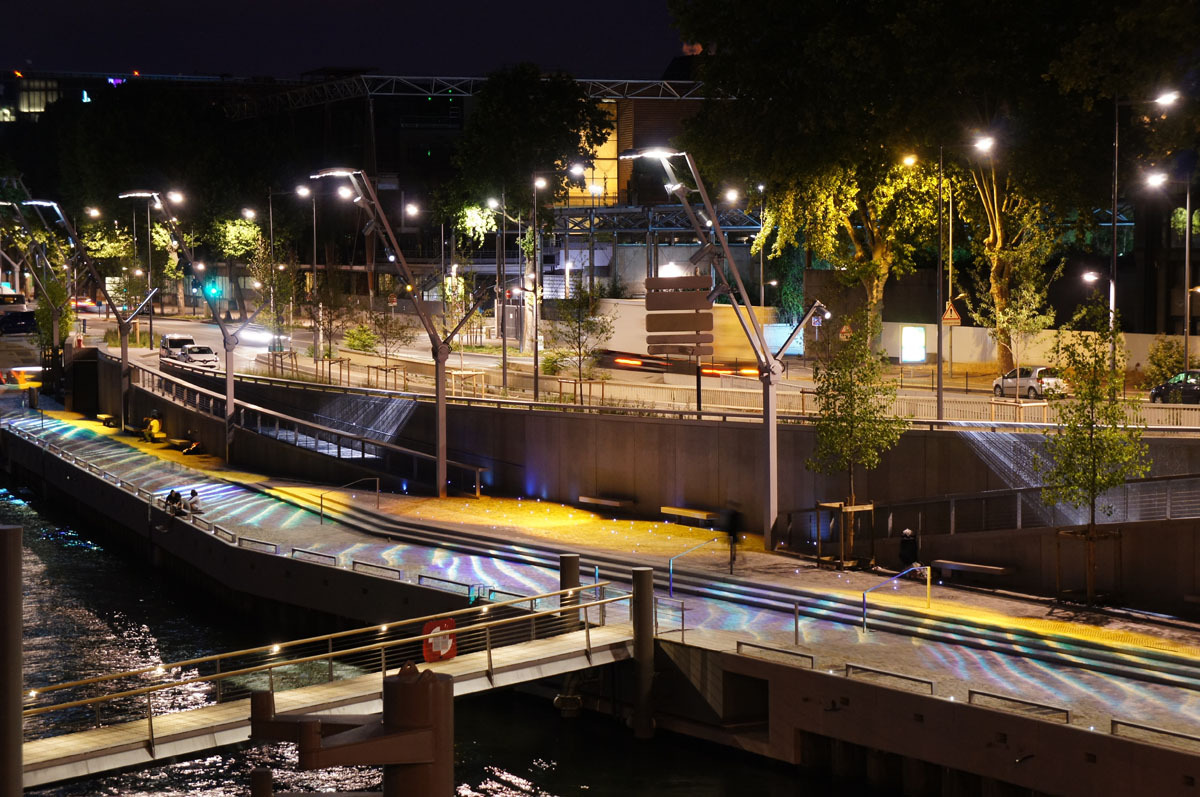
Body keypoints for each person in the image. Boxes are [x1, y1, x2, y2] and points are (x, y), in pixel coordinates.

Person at [719, 500, 743, 574]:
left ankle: (733, 556)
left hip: (733, 532)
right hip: (732, 532)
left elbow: (733, 524)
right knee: (733, 545)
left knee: (733, 545)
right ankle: (733, 556)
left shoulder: (735, 515)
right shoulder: (734, 515)